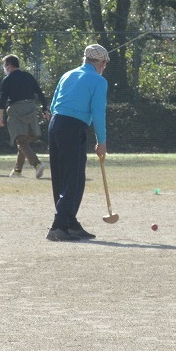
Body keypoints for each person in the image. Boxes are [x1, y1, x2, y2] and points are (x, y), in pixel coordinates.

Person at [46, 44, 109, 241]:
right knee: (74, 178)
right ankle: (59, 226)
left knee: (61, 176)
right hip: (73, 127)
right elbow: (98, 112)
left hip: (56, 123)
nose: (104, 67)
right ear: (99, 62)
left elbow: (53, 104)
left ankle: (70, 222)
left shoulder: (68, 74)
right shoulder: (99, 81)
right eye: (104, 64)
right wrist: (102, 141)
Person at [0, 54, 50, 178]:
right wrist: (45, 110)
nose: (5, 69)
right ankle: (17, 171)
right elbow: (40, 93)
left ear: (9, 66)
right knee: (23, 141)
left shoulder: (8, 79)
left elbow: (3, 99)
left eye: (5, 66)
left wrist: (0, 116)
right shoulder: (28, 76)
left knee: (20, 140)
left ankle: (37, 164)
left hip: (16, 110)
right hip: (31, 108)